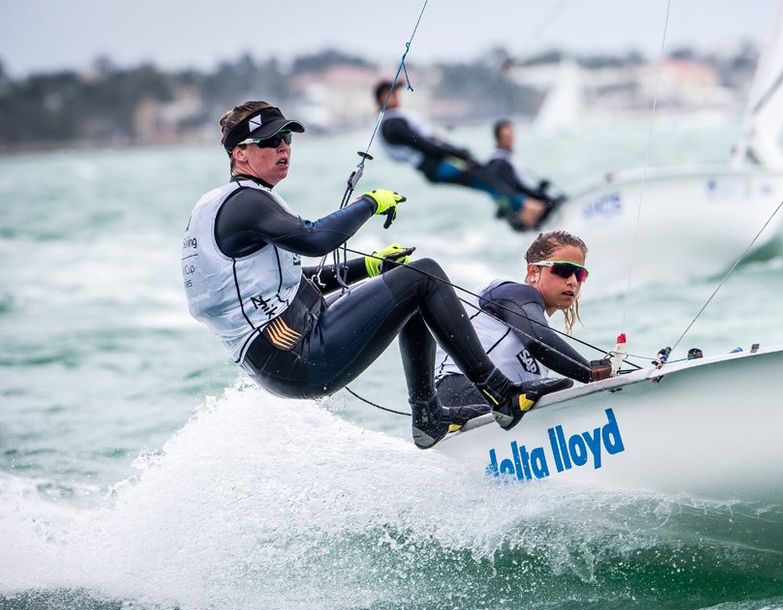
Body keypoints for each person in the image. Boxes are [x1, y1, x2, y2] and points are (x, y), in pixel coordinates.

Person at [181, 100, 569, 449]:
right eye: (269, 142)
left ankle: (429, 416)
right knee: (425, 275)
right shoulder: (245, 203)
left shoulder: (232, 204)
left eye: (286, 139)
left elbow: (294, 283)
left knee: (411, 287)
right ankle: (500, 393)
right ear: (240, 153)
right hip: (292, 354)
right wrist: (370, 202)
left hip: (283, 349)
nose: (283, 148)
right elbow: (316, 239)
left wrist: (368, 267)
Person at [435, 231, 612, 408]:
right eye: (563, 270)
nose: (573, 281)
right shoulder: (513, 292)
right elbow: (538, 341)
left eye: (579, 274)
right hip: (455, 393)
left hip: (491, 404)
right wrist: (593, 373)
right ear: (534, 271)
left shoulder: (544, 328)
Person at [374, 80, 547, 231]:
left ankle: (523, 213)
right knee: (486, 178)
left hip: (436, 165)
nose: (398, 96)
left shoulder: (390, 121)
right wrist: (458, 153)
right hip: (438, 166)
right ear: (382, 98)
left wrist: (457, 152)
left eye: (396, 92)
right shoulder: (392, 123)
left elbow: (428, 143)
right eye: (392, 93)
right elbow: (424, 145)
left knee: (487, 178)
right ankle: (529, 211)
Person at [484, 119, 566, 218]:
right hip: (519, 214)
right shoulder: (499, 163)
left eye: (511, 134)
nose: (510, 139)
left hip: (516, 210)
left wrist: (540, 189)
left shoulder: (503, 158)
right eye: (506, 136)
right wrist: (543, 196)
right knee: (554, 202)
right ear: (498, 139)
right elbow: (517, 189)